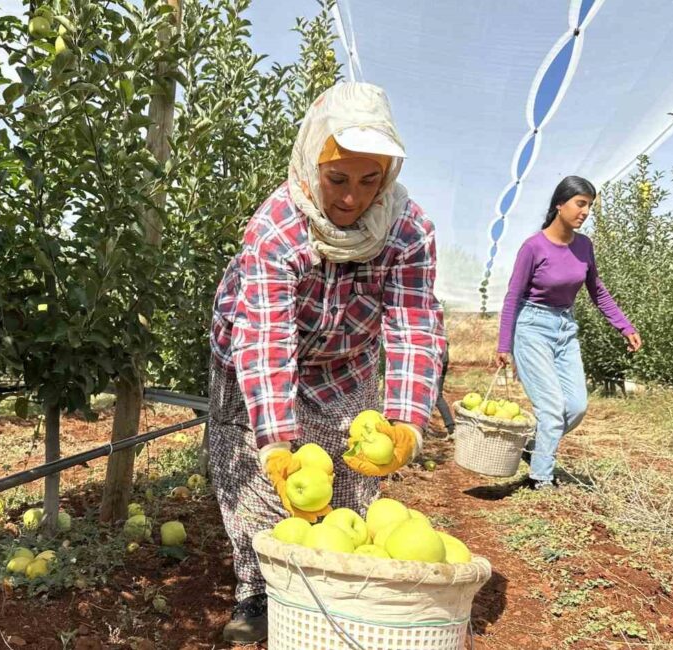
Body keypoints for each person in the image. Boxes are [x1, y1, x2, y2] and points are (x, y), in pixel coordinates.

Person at [207, 82, 446, 643]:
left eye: (371, 181)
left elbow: (413, 324)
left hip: (347, 359)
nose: (350, 199)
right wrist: (276, 441)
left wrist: (408, 422)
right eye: (337, 179)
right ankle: (260, 588)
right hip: (251, 353)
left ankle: (340, 589)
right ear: (312, 162)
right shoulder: (276, 230)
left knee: (350, 477)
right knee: (255, 470)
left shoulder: (408, 232)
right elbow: (266, 340)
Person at [495, 175, 642, 490]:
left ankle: (533, 447)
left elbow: (598, 291)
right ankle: (541, 479)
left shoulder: (584, 246)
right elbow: (512, 297)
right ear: (559, 204)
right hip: (531, 327)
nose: (585, 211)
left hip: (565, 327)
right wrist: (503, 344)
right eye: (580, 203)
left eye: (589, 205)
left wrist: (624, 326)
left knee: (576, 406)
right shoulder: (533, 247)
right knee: (551, 407)